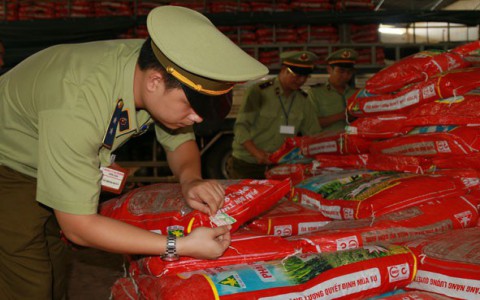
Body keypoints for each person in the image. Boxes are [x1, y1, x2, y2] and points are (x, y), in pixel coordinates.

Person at [0, 6, 268, 299]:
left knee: (56, 262)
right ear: (154, 82)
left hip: (55, 154)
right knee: (29, 277)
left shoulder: (157, 69)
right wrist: (176, 245)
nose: (197, 118)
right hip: (10, 164)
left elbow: (179, 141)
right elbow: (79, 226)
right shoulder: (79, 101)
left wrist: (190, 179)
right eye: (192, 107)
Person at [230, 50, 322, 179]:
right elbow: (241, 127)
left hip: (280, 166)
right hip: (249, 164)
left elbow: (313, 134)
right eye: (296, 75)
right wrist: (257, 153)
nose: (300, 80)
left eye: (305, 76)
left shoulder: (303, 100)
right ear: (284, 69)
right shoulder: (258, 92)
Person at [309, 48, 358, 132]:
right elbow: (310, 123)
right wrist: (341, 116)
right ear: (329, 69)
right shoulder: (316, 93)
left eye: (349, 72)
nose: (346, 76)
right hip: (327, 143)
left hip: (353, 141)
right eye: (341, 71)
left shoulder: (357, 93)